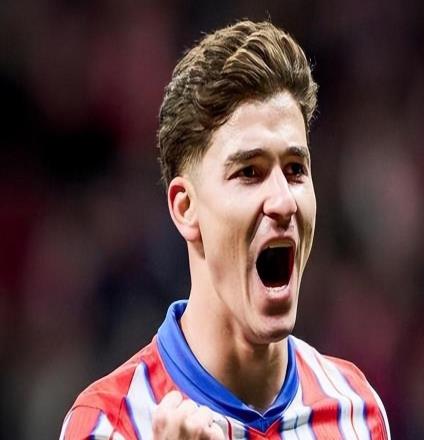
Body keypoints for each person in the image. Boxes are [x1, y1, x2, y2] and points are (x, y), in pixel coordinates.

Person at [59, 20, 390, 440]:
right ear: (186, 208)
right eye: (249, 172)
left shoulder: (357, 412)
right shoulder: (108, 425)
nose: (284, 201)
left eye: (295, 169)